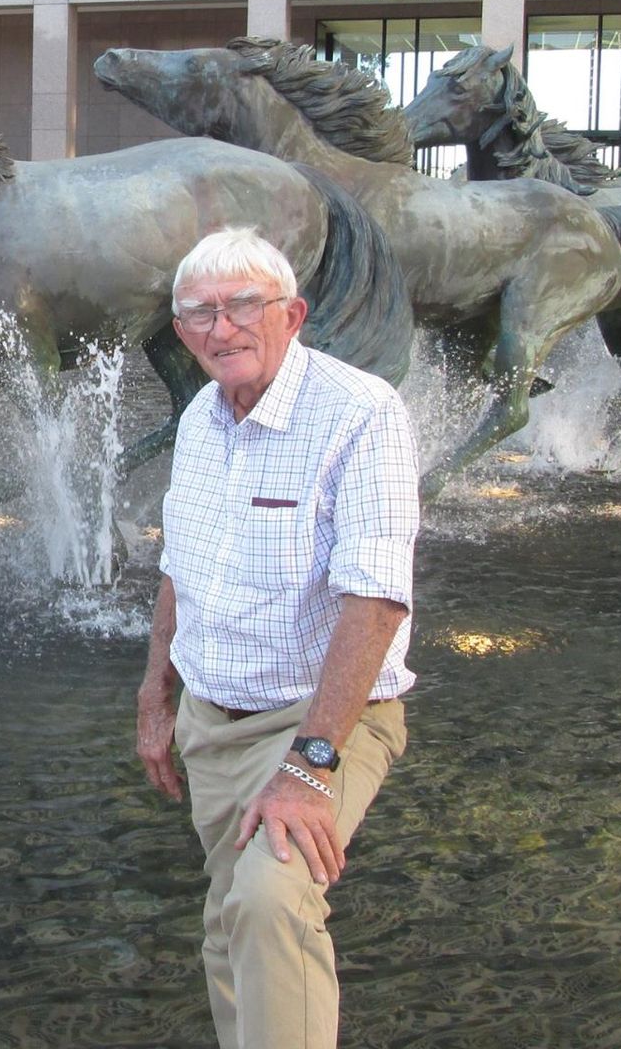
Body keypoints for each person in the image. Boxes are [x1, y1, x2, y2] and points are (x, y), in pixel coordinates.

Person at [135, 226, 419, 1049]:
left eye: (243, 307)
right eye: (200, 315)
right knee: (230, 925)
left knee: (270, 903)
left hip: (322, 718)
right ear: (182, 333)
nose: (222, 330)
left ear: (291, 314)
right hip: (211, 726)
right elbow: (179, 566)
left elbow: (377, 599)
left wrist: (310, 763)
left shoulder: (360, 413)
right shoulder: (200, 416)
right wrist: (156, 694)